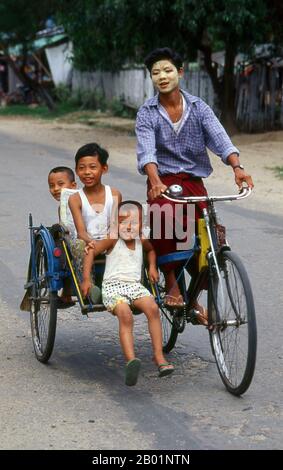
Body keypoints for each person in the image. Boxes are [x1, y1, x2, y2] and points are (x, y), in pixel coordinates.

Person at [136, 47, 254, 323]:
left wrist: (237, 167)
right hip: (162, 182)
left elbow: (220, 139)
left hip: (193, 182)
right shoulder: (147, 112)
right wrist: (154, 181)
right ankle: (171, 283)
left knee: (211, 239)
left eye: (167, 70)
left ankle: (194, 299)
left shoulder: (199, 107)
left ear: (180, 71)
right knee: (165, 218)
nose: (162, 77)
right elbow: (146, 151)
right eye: (156, 73)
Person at [81, 201, 174, 386]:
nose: (128, 227)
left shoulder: (141, 240)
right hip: (113, 287)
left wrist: (153, 267)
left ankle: (158, 356)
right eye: (123, 222)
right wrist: (86, 279)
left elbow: (151, 250)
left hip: (135, 286)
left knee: (153, 308)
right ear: (115, 225)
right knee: (125, 315)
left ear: (142, 225)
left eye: (134, 222)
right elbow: (91, 252)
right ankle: (131, 360)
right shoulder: (112, 239)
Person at [48, 166, 77, 308]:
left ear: (73, 186)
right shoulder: (62, 207)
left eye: (60, 184)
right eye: (51, 186)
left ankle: (66, 293)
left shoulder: (80, 200)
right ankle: (66, 292)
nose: (55, 189)